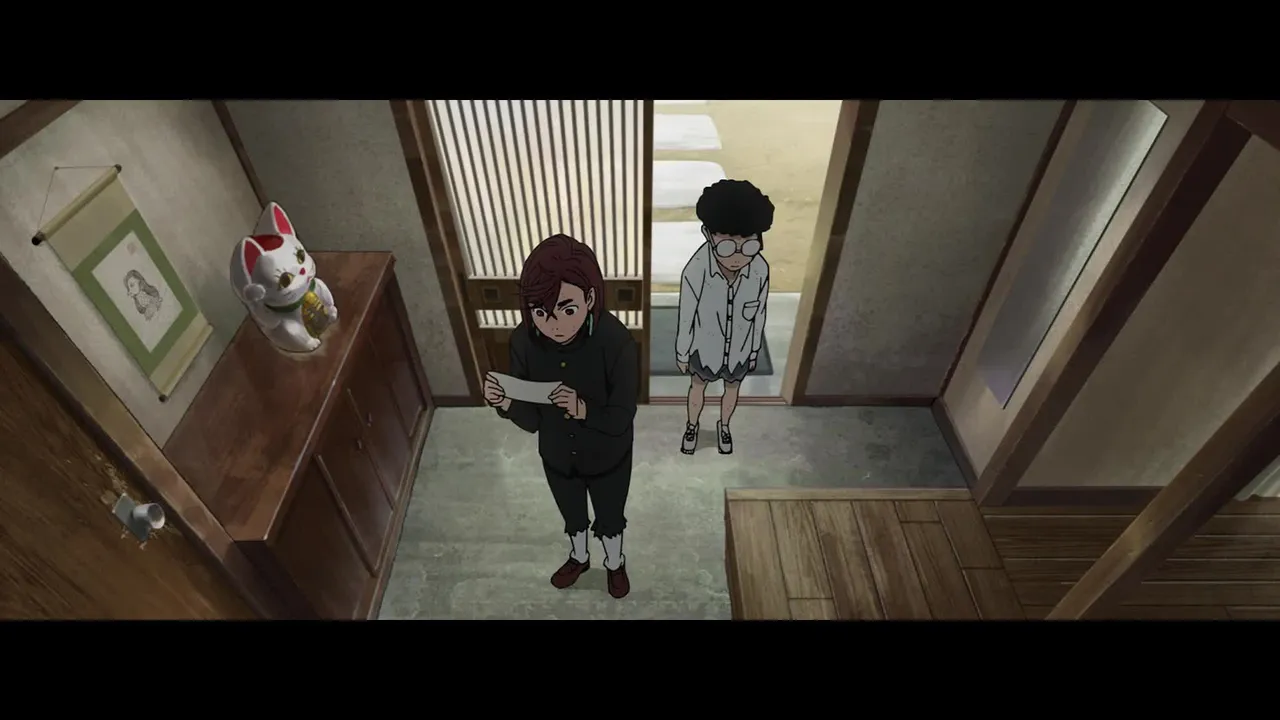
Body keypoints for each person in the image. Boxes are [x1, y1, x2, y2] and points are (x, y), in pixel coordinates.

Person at [483, 234, 639, 599]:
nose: (554, 325)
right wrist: (506, 403)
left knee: (610, 516)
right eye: (541, 313)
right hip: (556, 453)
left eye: (567, 310)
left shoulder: (616, 341)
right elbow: (532, 422)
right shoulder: (523, 341)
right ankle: (579, 557)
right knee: (572, 514)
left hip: (608, 454)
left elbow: (621, 416)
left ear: (590, 299)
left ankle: (614, 563)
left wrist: (583, 409)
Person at [675, 179, 773, 455]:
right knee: (698, 386)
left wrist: (753, 350)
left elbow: (759, 313)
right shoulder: (695, 270)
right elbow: (686, 315)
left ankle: (725, 426)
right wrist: (682, 352)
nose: (738, 256)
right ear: (708, 234)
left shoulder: (760, 270)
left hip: (739, 349)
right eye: (727, 246)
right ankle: (692, 425)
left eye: (749, 245)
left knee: (732, 389)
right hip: (704, 348)